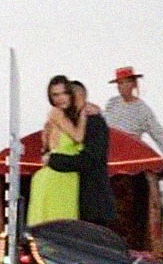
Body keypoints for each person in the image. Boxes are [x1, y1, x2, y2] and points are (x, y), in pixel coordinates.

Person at [47, 81, 116, 227]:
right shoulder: (72, 121)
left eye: (68, 95)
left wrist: (54, 160)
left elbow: (89, 160)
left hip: (93, 202)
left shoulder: (94, 122)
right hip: (71, 193)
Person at [26, 75, 86, 226]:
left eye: (64, 93)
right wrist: (85, 112)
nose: (60, 99)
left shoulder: (67, 116)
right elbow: (78, 137)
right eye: (55, 95)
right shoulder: (56, 112)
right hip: (55, 177)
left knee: (63, 225)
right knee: (55, 224)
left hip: (67, 176)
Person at [105, 66, 163, 165]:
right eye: (120, 83)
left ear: (133, 84)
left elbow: (157, 132)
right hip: (109, 151)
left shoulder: (142, 109)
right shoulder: (112, 103)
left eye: (127, 82)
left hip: (130, 152)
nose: (123, 86)